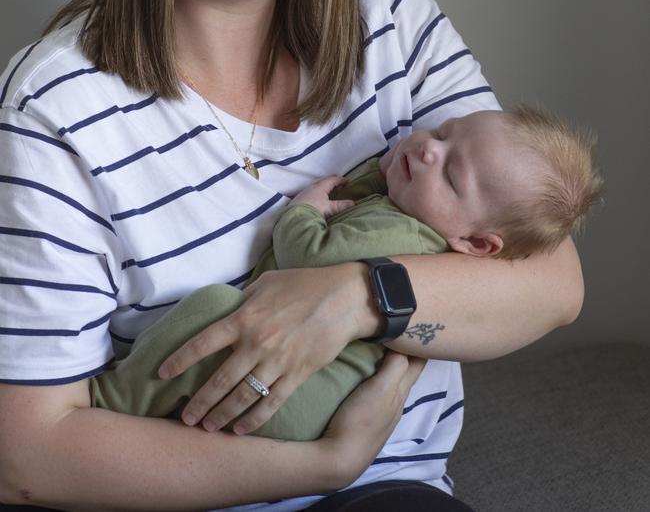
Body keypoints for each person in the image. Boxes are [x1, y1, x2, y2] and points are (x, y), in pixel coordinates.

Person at [0, 0, 585, 512]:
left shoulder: (388, 13)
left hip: (391, 496)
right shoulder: (55, 106)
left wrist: (354, 296)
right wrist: (322, 464)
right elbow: (29, 453)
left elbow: (551, 281)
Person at [89, 105, 603, 442]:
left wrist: (304, 212)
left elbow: (307, 262)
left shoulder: (399, 233)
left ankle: (113, 398)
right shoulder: (418, 213)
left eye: (449, 173)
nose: (428, 147)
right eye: (444, 134)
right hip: (308, 405)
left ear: (474, 244)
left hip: (300, 397)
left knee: (208, 309)